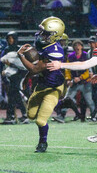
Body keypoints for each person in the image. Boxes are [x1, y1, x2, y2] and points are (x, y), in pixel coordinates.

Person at [17, 16, 65, 153]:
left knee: (40, 120)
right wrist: (27, 78)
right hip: (42, 85)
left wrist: (20, 56)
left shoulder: (55, 50)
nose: (42, 35)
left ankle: (43, 143)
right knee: (31, 115)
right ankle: (45, 111)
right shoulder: (42, 44)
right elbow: (36, 67)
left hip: (54, 88)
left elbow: (35, 69)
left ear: (55, 36)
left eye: (46, 33)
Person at [0, 31, 29, 125]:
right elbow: (1, 64)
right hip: (10, 76)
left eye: (12, 38)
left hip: (19, 76)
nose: (10, 40)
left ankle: (12, 116)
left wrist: (11, 65)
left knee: (13, 96)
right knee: (13, 96)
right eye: (9, 38)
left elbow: (23, 66)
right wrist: (3, 76)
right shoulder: (6, 50)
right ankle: (21, 115)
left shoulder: (20, 50)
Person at [64, 39, 96, 122]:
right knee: (68, 98)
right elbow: (67, 68)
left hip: (85, 81)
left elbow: (88, 69)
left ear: (82, 46)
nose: (77, 47)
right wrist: (68, 79)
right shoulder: (70, 56)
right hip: (74, 81)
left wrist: (80, 77)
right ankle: (63, 115)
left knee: (89, 100)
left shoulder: (86, 55)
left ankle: (94, 116)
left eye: (79, 45)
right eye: (75, 45)